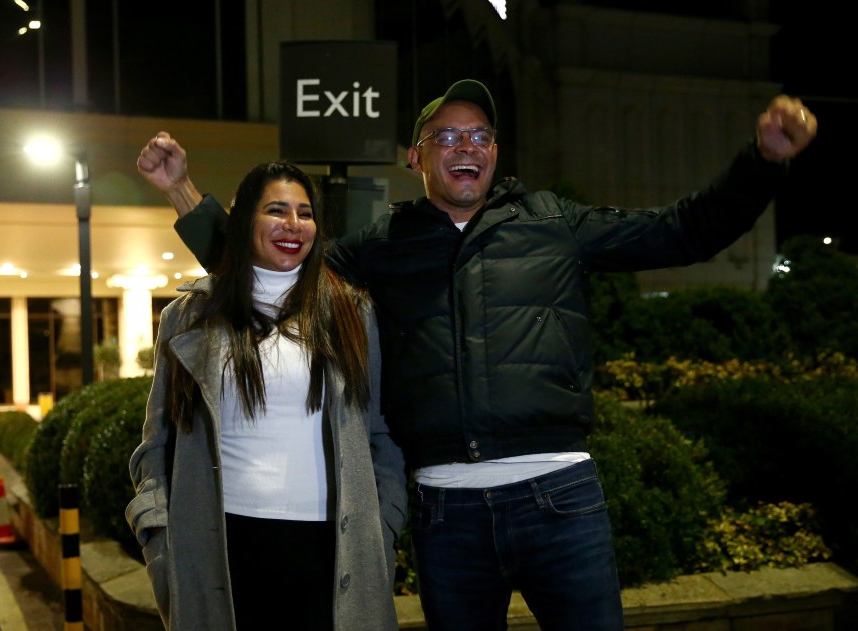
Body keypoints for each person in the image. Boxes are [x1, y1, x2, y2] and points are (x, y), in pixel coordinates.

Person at [137, 79, 817, 631]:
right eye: (448, 136)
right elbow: (267, 266)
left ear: (495, 151)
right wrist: (183, 192)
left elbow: (684, 232)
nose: (467, 147)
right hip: (448, 514)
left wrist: (762, 162)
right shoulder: (386, 244)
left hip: (562, 500)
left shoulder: (555, 222)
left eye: (480, 135)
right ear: (417, 156)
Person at [125, 161, 407, 631]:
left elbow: (380, 435)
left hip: (334, 551)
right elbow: (155, 446)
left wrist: (382, 528)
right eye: (276, 210)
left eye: (305, 212)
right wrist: (161, 544)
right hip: (221, 548)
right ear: (241, 221)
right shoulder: (189, 317)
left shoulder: (351, 313)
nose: (293, 225)